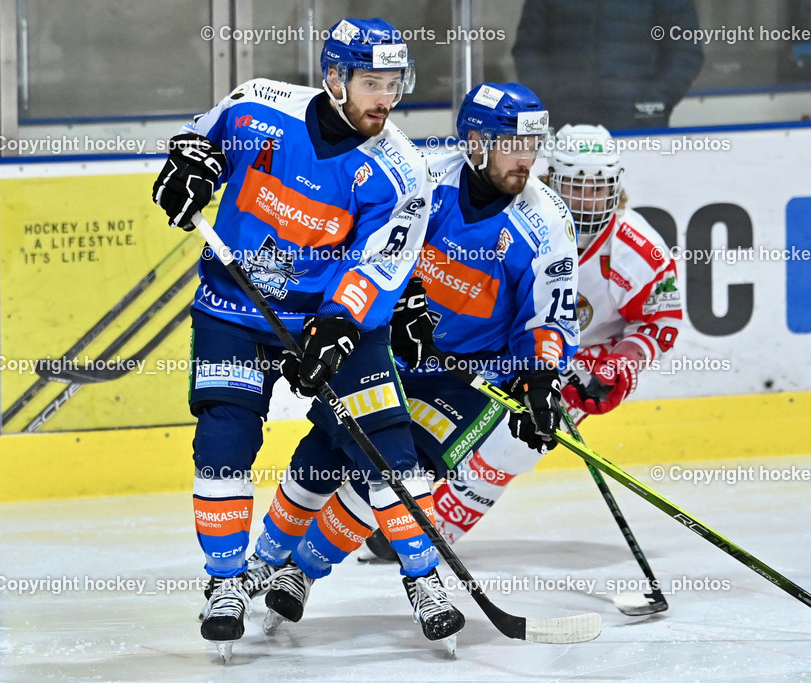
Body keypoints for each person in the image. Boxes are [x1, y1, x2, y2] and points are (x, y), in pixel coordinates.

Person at [250, 82, 581, 652]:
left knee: (395, 478)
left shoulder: (546, 223)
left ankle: (301, 571)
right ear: (475, 142)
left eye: (534, 142)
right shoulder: (423, 181)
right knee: (323, 457)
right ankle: (263, 559)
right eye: (512, 143)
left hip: (471, 376)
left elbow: (550, 320)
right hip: (394, 354)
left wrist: (541, 378)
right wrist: (394, 302)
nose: (526, 157)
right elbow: (370, 251)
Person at [151, 17, 435, 661]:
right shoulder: (259, 104)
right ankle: (226, 584)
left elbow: (382, 263)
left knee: (383, 444)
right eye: (370, 83)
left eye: (394, 84)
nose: (383, 99)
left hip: (326, 318)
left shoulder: (401, 171)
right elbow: (201, 140)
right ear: (334, 77)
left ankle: (424, 579)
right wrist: (188, 165)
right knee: (225, 438)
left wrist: (338, 322)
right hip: (235, 309)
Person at [428, 123, 683, 545]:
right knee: (442, 423)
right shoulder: (519, 218)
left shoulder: (638, 252)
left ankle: (441, 523)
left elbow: (662, 321)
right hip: (505, 342)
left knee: (518, 442)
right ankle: (395, 505)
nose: (586, 200)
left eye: (599, 188)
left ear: (616, 188)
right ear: (550, 179)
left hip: (574, 360)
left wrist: (620, 366)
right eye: (575, 186)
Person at [512, 0, 704, 130]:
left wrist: (649, 105)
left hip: (638, 129)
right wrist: (549, 101)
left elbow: (685, 51)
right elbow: (528, 49)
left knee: (640, 190)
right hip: (564, 126)